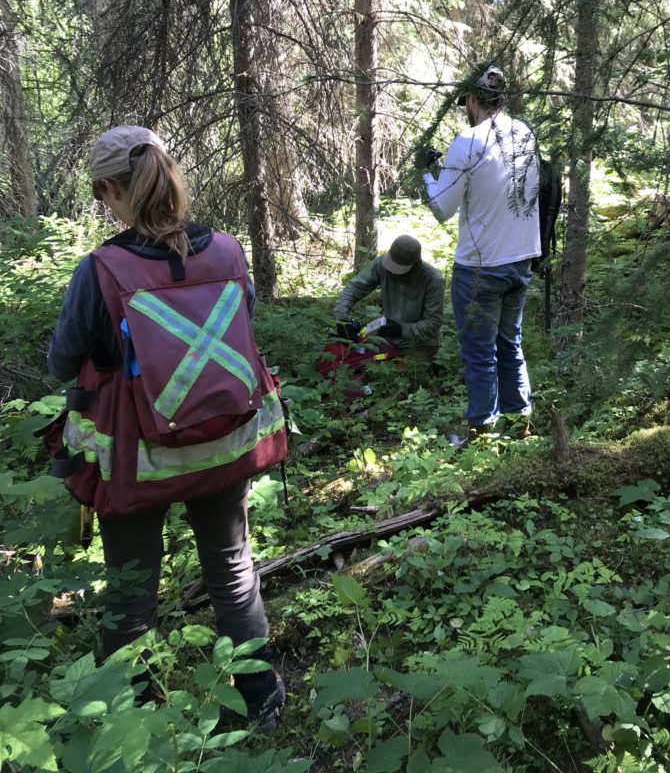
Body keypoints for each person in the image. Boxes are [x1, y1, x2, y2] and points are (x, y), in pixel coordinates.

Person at [45, 125, 287, 731]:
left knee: (131, 588)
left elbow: (61, 363)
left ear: (109, 191)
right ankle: (261, 699)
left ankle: (131, 720)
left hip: (137, 458)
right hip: (224, 444)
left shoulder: (101, 269)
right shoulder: (227, 252)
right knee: (232, 569)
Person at [422, 65, 540, 447]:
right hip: (520, 258)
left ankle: (482, 438)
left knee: (479, 354)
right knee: (510, 344)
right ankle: (520, 428)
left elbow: (443, 208)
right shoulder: (524, 133)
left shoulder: (468, 141)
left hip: (480, 266)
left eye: (467, 103)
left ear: (473, 99)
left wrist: (427, 174)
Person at [332, 234, 444, 363]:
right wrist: (342, 318)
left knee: (397, 372)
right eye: (391, 267)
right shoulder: (381, 264)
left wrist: (402, 330)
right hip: (388, 339)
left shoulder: (433, 280)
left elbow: (433, 324)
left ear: (415, 265)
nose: (392, 273)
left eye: (398, 270)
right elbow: (355, 287)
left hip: (419, 345)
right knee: (350, 361)